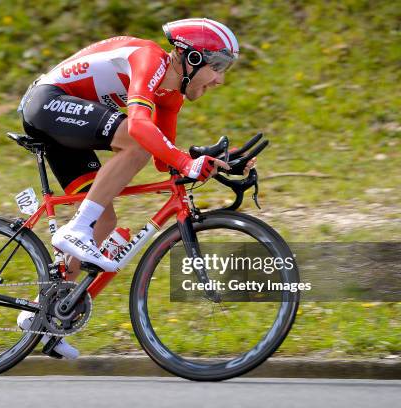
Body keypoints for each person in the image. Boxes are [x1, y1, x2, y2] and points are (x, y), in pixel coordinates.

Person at [17, 18, 256, 359]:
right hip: (47, 102)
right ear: (192, 59)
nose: (220, 79)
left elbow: (164, 158)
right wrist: (186, 162)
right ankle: (76, 229)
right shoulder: (150, 59)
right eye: (217, 66)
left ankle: (43, 316)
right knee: (135, 140)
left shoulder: (171, 98)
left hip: (69, 121)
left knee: (105, 221)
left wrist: (220, 160)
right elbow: (142, 130)